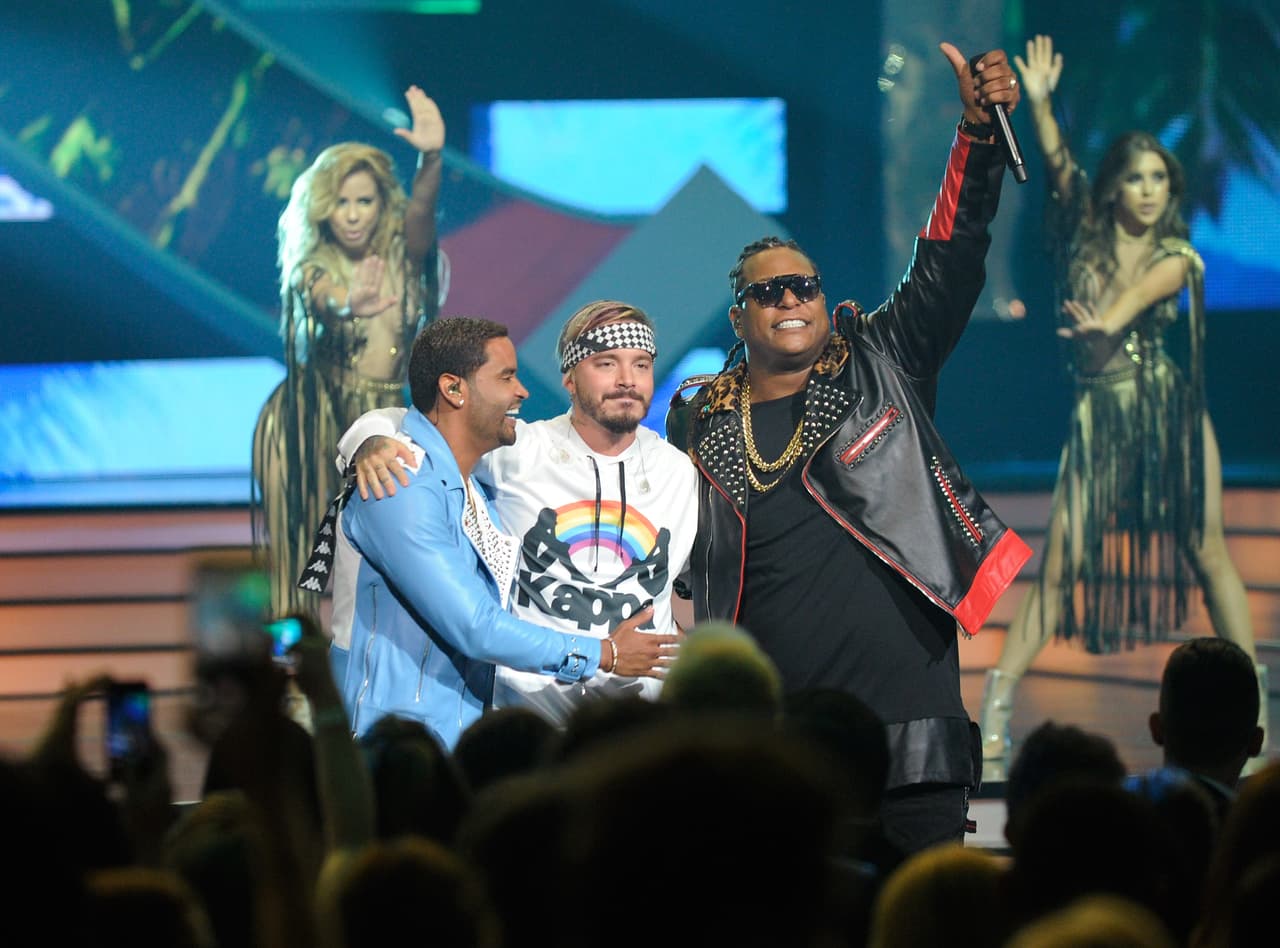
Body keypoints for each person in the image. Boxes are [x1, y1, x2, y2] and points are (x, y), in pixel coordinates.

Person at [665, 43, 1029, 854]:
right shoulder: (698, 424)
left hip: (911, 729)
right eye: (770, 291)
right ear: (739, 318)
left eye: (806, 286)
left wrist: (975, 136)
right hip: (779, 738)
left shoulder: (882, 364)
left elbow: (950, 257)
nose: (793, 299)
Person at [978, 35, 1260, 760]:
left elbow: (1156, 285)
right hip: (1101, 414)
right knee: (1063, 561)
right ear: (1115, 188)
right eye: (1135, 179)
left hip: (1165, 408)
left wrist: (1109, 318)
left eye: (1159, 180)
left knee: (1207, 548)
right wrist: (1039, 105)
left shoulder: (1178, 253)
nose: (1147, 190)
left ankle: (1251, 701)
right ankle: (998, 702)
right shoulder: (1084, 232)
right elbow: (1059, 168)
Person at [340, 300, 699, 723]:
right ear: (569, 377)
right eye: (606, 364)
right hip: (522, 717)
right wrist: (366, 441)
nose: (626, 380)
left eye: (641, 365)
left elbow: (690, 585)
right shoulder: (517, 450)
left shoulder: (679, 472)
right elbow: (418, 424)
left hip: (635, 721)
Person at [252, 85, 447, 618]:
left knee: (381, 561)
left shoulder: (404, 264)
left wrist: (431, 158)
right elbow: (322, 296)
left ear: (384, 204)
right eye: (341, 202)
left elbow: (424, 214)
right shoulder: (310, 264)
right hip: (309, 420)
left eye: (365, 201)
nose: (354, 215)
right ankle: (297, 684)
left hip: (381, 421)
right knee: (304, 567)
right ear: (321, 208)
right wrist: (348, 301)